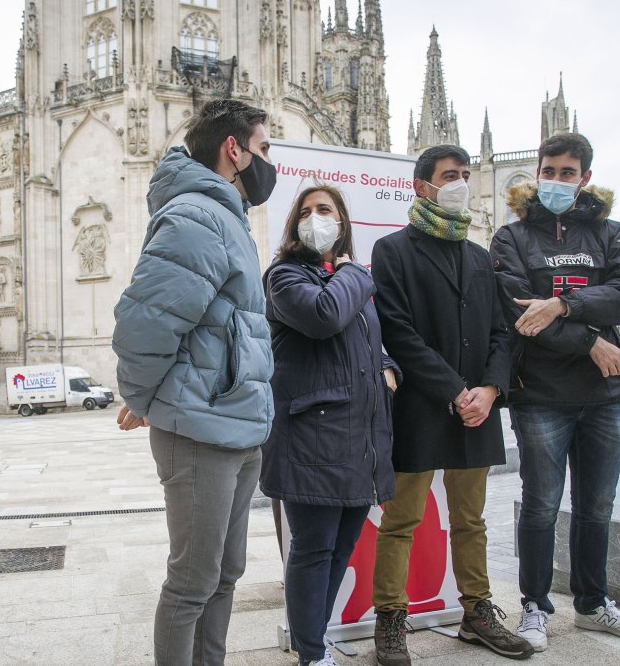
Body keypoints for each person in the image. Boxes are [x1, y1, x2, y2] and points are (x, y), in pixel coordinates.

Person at [112, 98, 276, 665]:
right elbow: (145, 321)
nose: (267, 163)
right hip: (203, 428)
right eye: (263, 148)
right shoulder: (199, 214)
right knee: (193, 579)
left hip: (237, 424)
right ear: (234, 149)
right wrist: (142, 395)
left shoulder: (227, 215)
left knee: (226, 573)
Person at [489, 133, 620, 651]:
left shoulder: (610, 233)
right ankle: (534, 606)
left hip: (605, 396)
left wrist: (562, 307)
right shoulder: (510, 239)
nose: (557, 180)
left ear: (584, 178)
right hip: (541, 395)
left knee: (596, 507)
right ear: (537, 173)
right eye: (549, 170)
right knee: (540, 504)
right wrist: (589, 342)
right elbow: (519, 312)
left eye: (567, 172)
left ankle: (593, 604)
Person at [369, 146, 532, 663]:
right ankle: (390, 619)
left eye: (465, 175)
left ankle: (477, 612)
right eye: (449, 176)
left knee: (471, 520)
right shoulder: (392, 251)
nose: (460, 182)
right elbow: (398, 331)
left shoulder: (479, 256)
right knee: (401, 522)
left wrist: (489, 390)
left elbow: (500, 334)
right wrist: (454, 390)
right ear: (422, 186)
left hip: (477, 409)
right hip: (421, 406)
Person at [260, 184, 398, 666]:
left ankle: (314, 638)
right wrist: (355, 273)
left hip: (360, 438)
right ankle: (312, 654)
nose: (316, 218)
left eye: (326, 210)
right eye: (307, 211)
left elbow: (369, 341)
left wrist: (389, 367)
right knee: (314, 550)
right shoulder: (284, 276)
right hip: (311, 436)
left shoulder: (345, 277)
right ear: (293, 223)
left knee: (341, 547)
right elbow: (325, 316)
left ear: (342, 222)